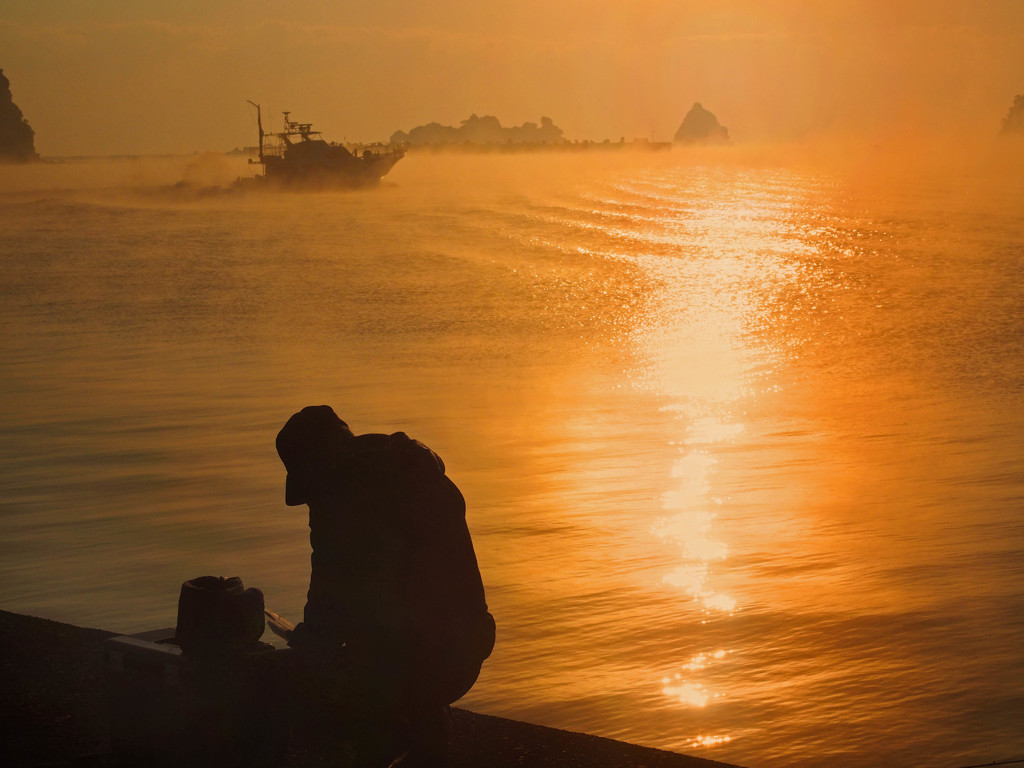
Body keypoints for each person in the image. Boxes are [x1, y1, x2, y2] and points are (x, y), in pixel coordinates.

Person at [275, 405, 496, 767]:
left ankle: (391, 729)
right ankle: (424, 721)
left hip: (424, 661)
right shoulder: (413, 469)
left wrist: (308, 645)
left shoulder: (341, 497)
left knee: (318, 675)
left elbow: (330, 596)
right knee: (387, 626)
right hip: (469, 646)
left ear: (316, 464)